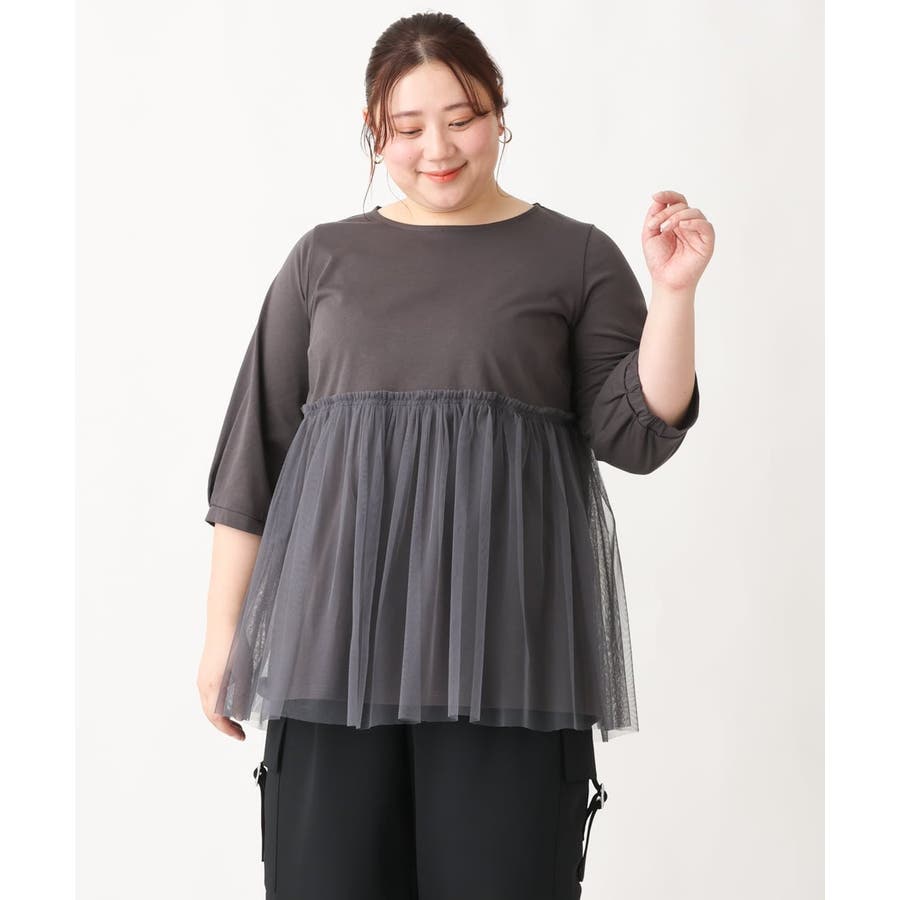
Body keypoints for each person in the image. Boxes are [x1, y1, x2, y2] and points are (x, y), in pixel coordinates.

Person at [196, 11, 712, 899]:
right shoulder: (322, 260)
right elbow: (255, 460)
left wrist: (674, 294)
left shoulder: (575, 257)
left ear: (499, 113)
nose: (437, 148)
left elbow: (637, 432)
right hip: (332, 660)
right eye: (407, 127)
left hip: (509, 665)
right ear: (374, 131)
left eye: (462, 118)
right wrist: (221, 640)